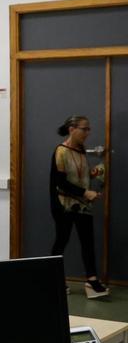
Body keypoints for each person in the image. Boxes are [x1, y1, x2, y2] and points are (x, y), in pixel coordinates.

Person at [51, 115, 108, 299]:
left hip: (82, 205)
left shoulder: (81, 150)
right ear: (72, 129)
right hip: (64, 205)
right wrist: (86, 193)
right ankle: (53, 279)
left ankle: (91, 280)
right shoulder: (61, 151)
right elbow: (61, 183)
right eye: (84, 129)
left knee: (87, 242)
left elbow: (79, 175)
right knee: (62, 241)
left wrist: (93, 174)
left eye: (88, 129)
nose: (87, 133)